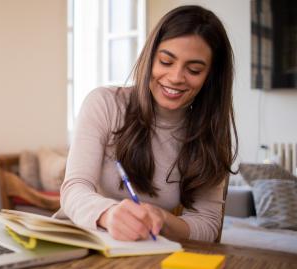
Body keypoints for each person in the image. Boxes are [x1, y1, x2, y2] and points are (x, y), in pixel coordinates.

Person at [54, 5, 238, 243]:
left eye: (194, 69)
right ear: (150, 57)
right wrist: (108, 214)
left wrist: (162, 219)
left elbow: (208, 224)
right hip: (78, 240)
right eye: (165, 61)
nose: (175, 77)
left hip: (141, 252)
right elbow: (74, 189)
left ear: (210, 77)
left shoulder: (209, 132)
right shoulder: (105, 103)